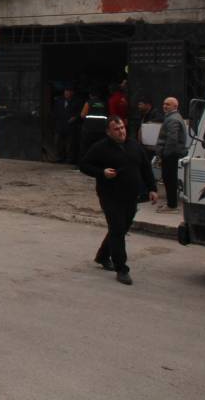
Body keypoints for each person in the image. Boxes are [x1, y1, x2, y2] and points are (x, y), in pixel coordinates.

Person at [78, 115, 158, 285]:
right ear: (108, 132)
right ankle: (121, 269)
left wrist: (152, 188)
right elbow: (84, 165)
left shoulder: (134, 145)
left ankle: (102, 256)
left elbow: (145, 168)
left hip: (131, 196)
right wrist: (102, 172)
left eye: (122, 127)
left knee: (121, 228)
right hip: (110, 196)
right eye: (117, 129)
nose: (121, 131)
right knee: (117, 229)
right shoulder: (100, 148)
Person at [155, 97, 188, 213]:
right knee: (170, 179)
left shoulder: (172, 119)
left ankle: (171, 205)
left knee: (169, 179)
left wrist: (164, 154)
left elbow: (172, 140)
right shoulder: (173, 117)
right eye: (164, 104)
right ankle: (171, 202)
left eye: (168, 104)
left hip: (171, 155)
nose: (165, 106)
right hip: (173, 154)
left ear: (175, 106)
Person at [52, 86, 81, 163]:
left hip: (70, 125)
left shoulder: (77, 101)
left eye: (69, 91)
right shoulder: (59, 100)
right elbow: (55, 111)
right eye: (66, 91)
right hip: (60, 125)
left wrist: (75, 118)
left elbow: (80, 113)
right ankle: (59, 158)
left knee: (70, 144)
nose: (67, 93)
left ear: (72, 93)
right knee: (58, 142)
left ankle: (69, 159)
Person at [79, 89, 109, 159]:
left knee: (86, 147)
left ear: (90, 95)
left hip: (89, 129)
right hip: (101, 129)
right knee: (100, 147)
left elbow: (82, 115)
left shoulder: (89, 102)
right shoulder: (104, 103)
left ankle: (84, 163)